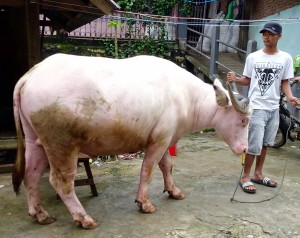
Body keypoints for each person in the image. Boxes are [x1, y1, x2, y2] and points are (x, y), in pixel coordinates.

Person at [227, 22, 300, 194]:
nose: (266, 37)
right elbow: (248, 79)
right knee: (254, 145)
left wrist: (290, 97)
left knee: (266, 143)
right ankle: (245, 176)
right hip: (257, 107)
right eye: (264, 34)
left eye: (271, 34)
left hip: (273, 107)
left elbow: (284, 81)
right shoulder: (253, 57)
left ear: (279, 36)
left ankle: (258, 174)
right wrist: (236, 79)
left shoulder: (286, 58)